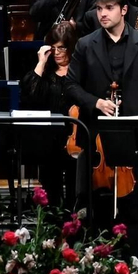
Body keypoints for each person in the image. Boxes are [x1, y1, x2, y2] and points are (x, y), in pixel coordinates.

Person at [65, 0, 138, 245]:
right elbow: (71, 85)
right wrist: (96, 102)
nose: (103, 14)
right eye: (99, 8)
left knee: (133, 205)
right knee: (97, 206)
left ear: (124, 10)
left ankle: (133, 262)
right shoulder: (85, 44)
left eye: (109, 8)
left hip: (135, 135)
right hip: (97, 138)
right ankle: (100, 263)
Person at [20, 21, 86, 213]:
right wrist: (41, 62)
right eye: (54, 48)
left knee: (76, 192)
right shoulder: (46, 74)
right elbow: (29, 97)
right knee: (51, 194)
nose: (57, 52)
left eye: (62, 48)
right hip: (49, 142)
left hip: (75, 140)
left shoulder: (80, 72)